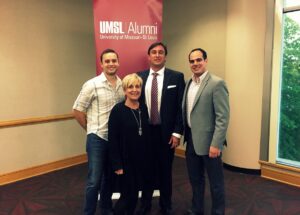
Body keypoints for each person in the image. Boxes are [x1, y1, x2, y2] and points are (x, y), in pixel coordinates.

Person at [72, 49, 124, 215]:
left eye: (114, 60)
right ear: (101, 64)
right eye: (107, 61)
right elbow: (77, 110)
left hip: (115, 141)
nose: (111, 64)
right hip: (97, 139)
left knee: (109, 178)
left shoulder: (123, 84)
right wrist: (90, 130)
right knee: (94, 180)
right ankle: (88, 212)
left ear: (118, 62)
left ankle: (106, 209)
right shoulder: (92, 84)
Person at [137, 42, 185, 215]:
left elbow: (181, 107)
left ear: (165, 56)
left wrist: (177, 132)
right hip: (145, 133)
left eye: (161, 52)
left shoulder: (176, 77)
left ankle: (166, 206)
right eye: (154, 52)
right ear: (148, 56)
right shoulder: (138, 77)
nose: (157, 55)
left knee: (165, 172)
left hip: (167, 134)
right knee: (146, 171)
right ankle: (145, 206)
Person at [182, 48, 230, 215]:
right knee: (195, 180)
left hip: (210, 144)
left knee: (215, 182)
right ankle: (197, 209)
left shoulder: (217, 83)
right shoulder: (188, 82)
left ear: (206, 60)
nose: (195, 63)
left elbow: (222, 118)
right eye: (192, 61)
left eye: (199, 60)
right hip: (191, 141)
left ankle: (218, 212)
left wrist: (216, 144)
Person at [108, 73, 151, 215]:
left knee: (137, 194)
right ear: (125, 90)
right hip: (126, 161)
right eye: (130, 87)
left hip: (143, 160)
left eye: (137, 86)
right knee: (127, 196)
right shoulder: (118, 110)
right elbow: (113, 139)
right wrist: (117, 165)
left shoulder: (143, 108)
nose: (134, 90)